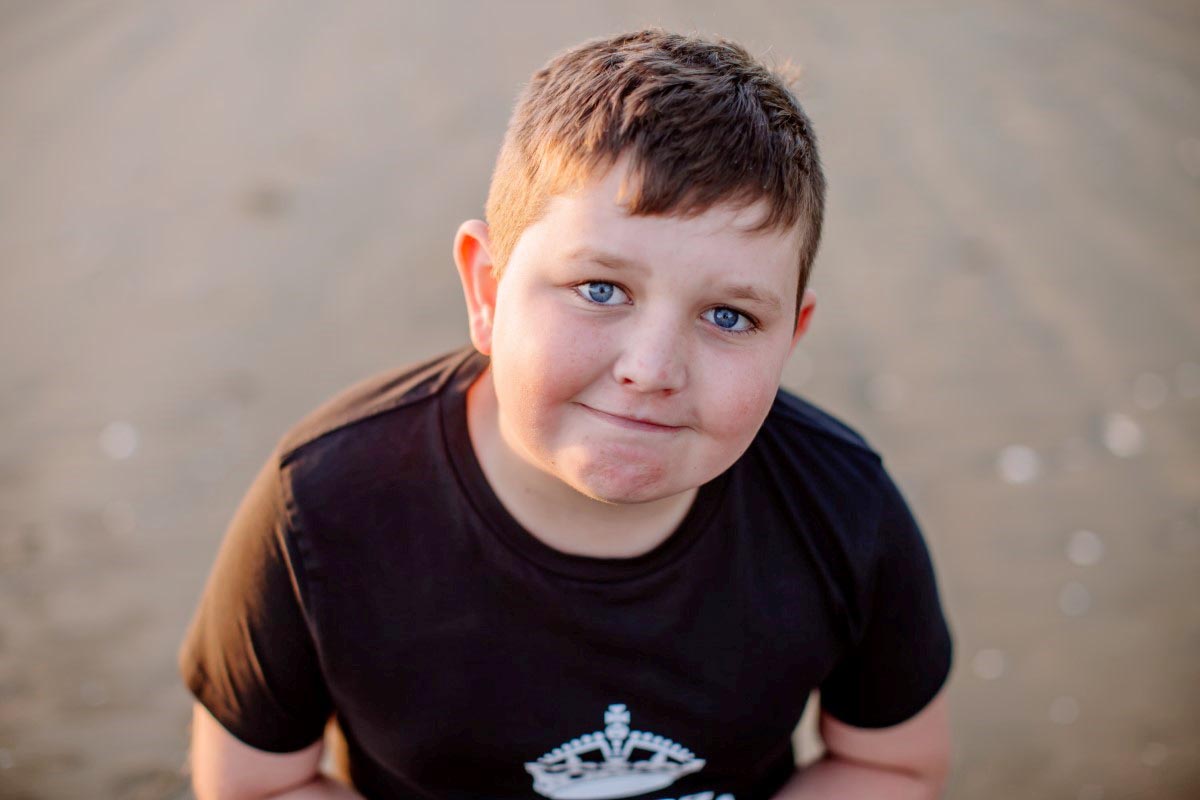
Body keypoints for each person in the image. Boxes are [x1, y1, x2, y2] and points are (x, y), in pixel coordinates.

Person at [179, 28, 954, 800]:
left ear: (789, 336)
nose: (651, 370)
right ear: (486, 291)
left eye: (728, 317)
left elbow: (890, 764)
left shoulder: (843, 511)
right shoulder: (322, 508)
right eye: (599, 289)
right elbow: (256, 784)